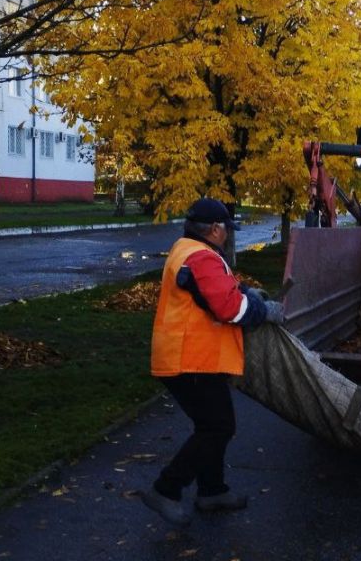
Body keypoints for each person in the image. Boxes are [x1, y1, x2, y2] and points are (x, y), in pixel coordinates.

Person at [140, 196, 284, 527]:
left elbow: (218, 291)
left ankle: (212, 491)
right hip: (191, 361)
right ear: (215, 229)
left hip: (191, 358)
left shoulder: (187, 250)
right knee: (218, 427)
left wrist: (248, 291)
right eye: (227, 230)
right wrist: (264, 311)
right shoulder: (202, 257)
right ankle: (167, 489)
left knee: (213, 426)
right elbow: (229, 309)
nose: (229, 235)